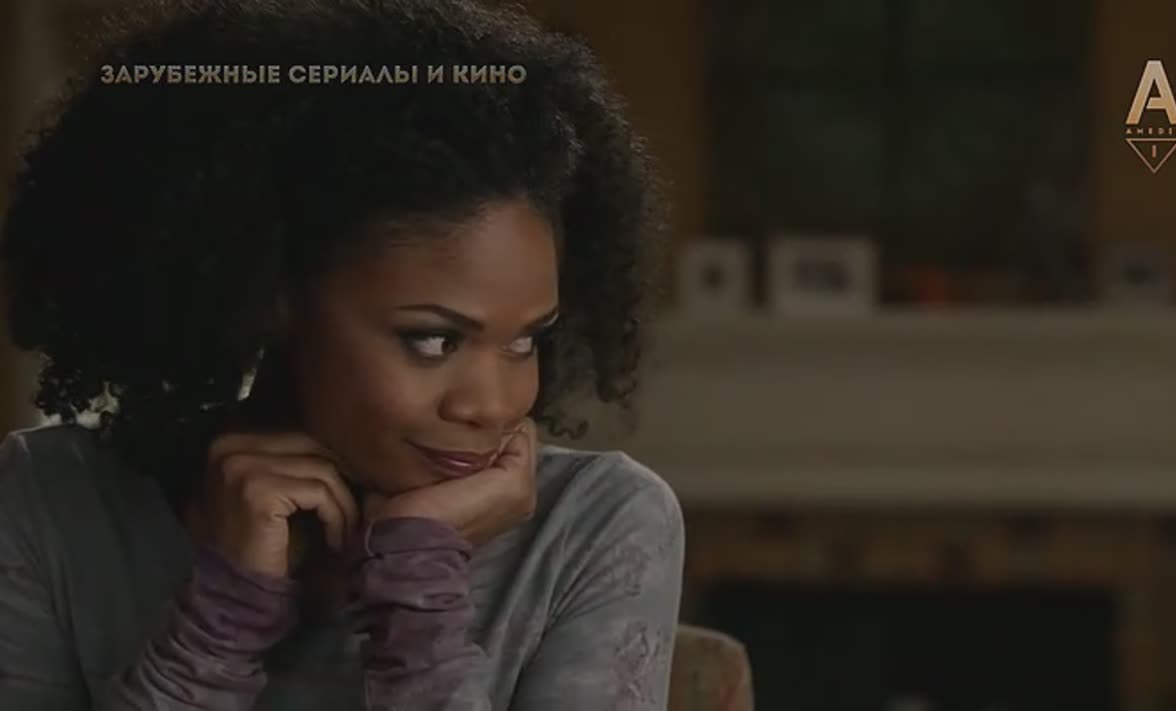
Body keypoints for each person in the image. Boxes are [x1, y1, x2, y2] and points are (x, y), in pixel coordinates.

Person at [0, 0, 683, 709]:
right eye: (432, 340)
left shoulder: (597, 525)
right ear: (268, 296)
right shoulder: (52, 506)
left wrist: (418, 591)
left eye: (524, 341)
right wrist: (220, 622)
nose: (491, 405)